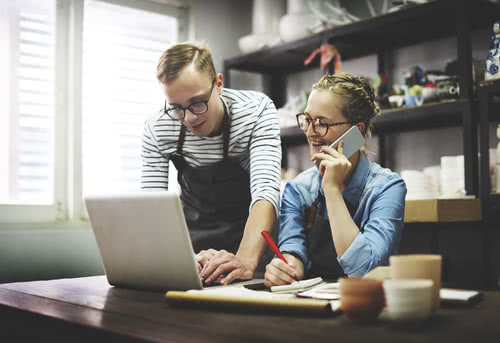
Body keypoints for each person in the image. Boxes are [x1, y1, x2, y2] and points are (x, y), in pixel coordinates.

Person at [142, 42, 281, 285]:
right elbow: (152, 209)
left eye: (197, 103)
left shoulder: (256, 111)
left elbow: (266, 192)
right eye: (176, 107)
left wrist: (246, 260)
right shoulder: (158, 126)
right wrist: (181, 259)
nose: (189, 118)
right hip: (196, 252)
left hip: (251, 246)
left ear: (218, 84)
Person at [264, 73, 406, 287]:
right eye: (307, 120)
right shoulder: (298, 189)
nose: (310, 132)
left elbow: (365, 270)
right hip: (314, 308)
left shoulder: (387, 188)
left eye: (322, 123)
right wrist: (285, 269)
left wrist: (331, 190)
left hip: (369, 307)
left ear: (355, 132)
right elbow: (293, 249)